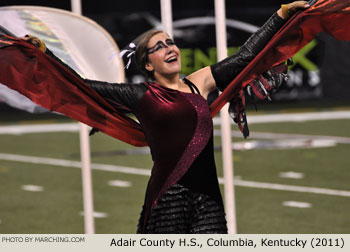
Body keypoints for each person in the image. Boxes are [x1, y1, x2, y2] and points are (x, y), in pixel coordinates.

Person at [5, 1, 308, 233]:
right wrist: (45, 56)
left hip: (210, 203)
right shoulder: (141, 96)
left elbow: (246, 58)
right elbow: (81, 86)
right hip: (168, 202)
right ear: (148, 64)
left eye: (170, 43)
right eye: (158, 47)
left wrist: (280, 16)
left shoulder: (199, 82)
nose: (169, 48)